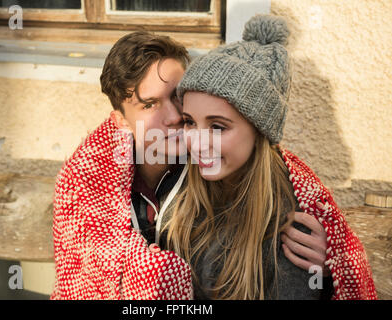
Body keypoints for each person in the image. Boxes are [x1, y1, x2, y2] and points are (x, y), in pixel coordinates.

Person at [51, 27, 331, 300]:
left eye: (176, 95)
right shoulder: (92, 181)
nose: (174, 115)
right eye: (150, 104)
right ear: (121, 120)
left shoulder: (220, 175)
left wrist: (328, 266)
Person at [160, 14, 377, 299]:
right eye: (189, 122)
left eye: (217, 127)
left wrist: (332, 266)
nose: (197, 143)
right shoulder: (182, 191)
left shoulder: (293, 226)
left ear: (260, 131)